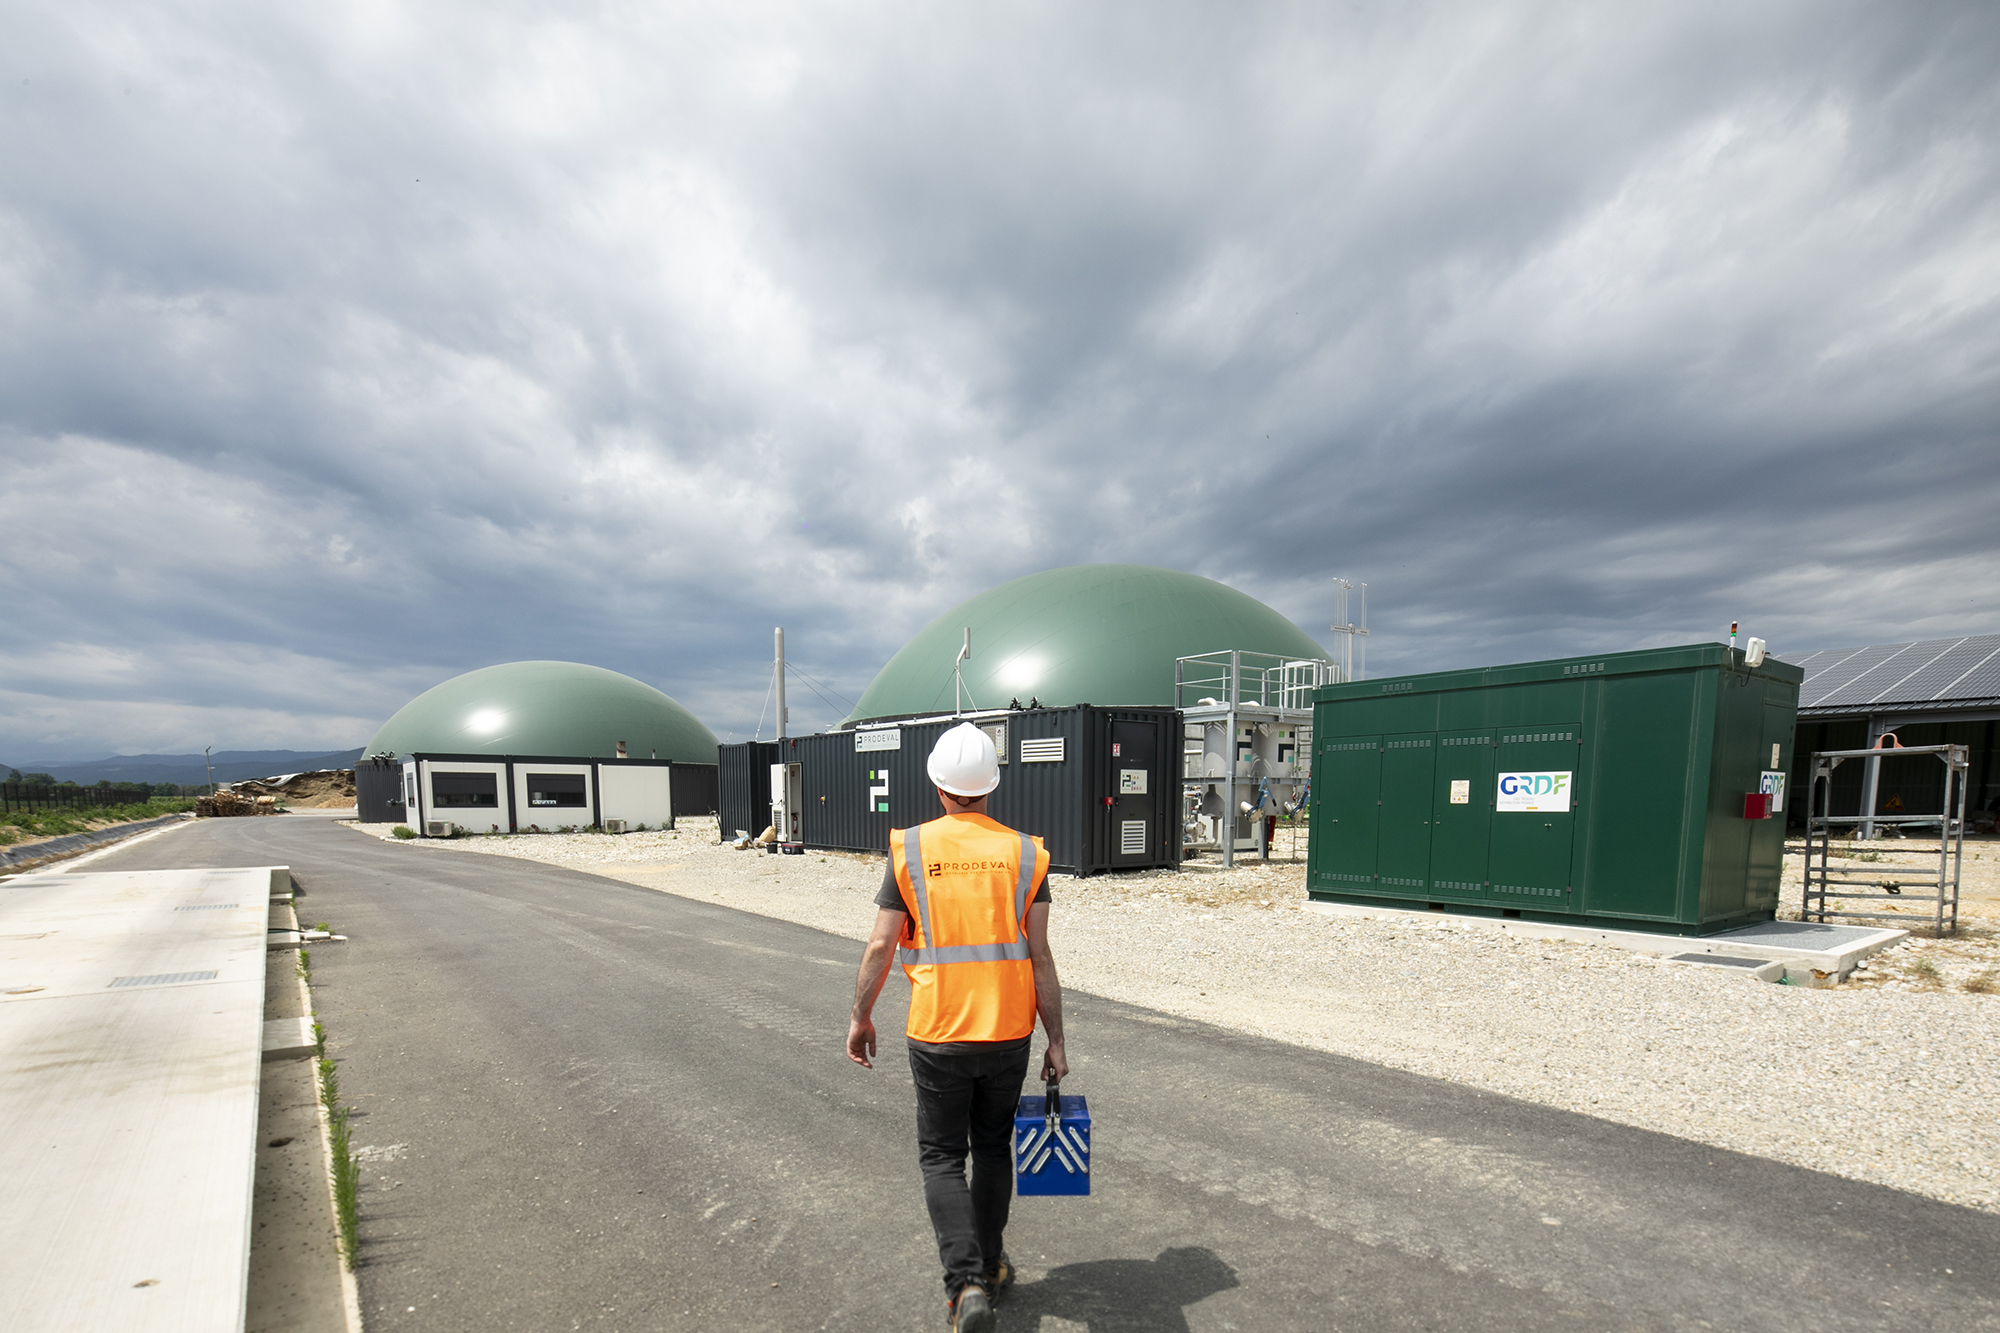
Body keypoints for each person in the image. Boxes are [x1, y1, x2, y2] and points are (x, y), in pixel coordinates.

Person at [847, 722, 1068, 1333]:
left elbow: (880, 945)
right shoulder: (1027, 854)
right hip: (1007, 1032)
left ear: (939, 786)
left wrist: (861, 1016)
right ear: (991, 787)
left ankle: (965, 1284)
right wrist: (1056, 1038)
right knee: (993, 1148)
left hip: (939, 1030)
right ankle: (990, 1267)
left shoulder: (912, 850)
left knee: (943, 1156)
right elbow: (1040, 955)